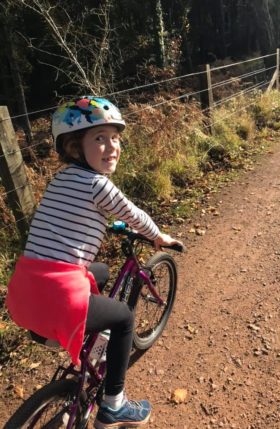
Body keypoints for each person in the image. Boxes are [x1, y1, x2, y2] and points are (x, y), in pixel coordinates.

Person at [6, 96, 183, 429]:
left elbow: (72, 216)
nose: (111, 146)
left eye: (115, 138)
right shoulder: (98, 185)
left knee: (98, 271)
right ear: (75, 147)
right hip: (58, 295)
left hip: (26, 293)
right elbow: (133, 215)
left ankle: (73, 335)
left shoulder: (60, 180)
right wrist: (160, 238)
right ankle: (114, 405)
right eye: (99, 138)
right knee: (125, 318)